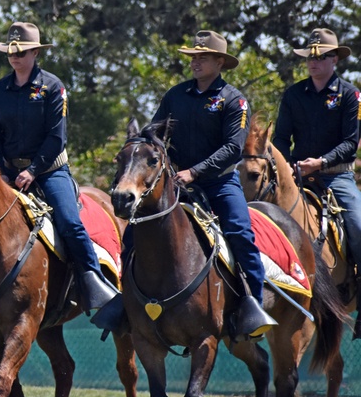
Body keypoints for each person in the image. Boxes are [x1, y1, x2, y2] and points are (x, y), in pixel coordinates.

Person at [96, 30, 276, 341]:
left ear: (220, 62)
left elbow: (233, 149)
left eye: (202, 57)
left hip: (220, 184)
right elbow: (153, 136)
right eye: (193, 57)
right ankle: (124, 303)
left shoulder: (234, 100)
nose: (195, 62)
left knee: (241, 235)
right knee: (134, 234)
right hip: (177, 184)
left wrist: (196, 171)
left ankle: (252, 308)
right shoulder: (174, 96)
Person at [0, 22, 119, 326]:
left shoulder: (52, 86)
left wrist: (33, 170)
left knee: (70, 222)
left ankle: (95, 286)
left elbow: (56, 137)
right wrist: (2, 173)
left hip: (49, 171)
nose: (14, 57)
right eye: (11, 52)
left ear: (35, 53)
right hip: (8, 174)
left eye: (21, 52)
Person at [273, 28, 361, 319]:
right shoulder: (294, 94)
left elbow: (351, 143)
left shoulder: (351, 95)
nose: (314, 62)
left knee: (358, 225)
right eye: (310, 56)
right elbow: (282, 138)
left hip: (337, 176)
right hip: (297, 175)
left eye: (322, 56)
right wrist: (285, 166)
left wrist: (321, 163)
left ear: (335, 59)